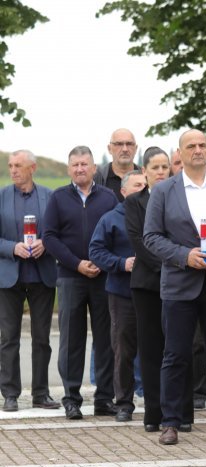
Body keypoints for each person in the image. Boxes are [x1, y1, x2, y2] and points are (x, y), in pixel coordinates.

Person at [143, 129, 206, 445]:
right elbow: (151, 237)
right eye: (191, 146)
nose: (198, 150)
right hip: (180, 284)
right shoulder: (164, 191)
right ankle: (170, 421)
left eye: (202, 145)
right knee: (175, 355)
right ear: (179, 154)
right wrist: (185, 255)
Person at [42, 146, 118, 420]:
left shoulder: (109, 198)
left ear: (94, 167)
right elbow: (49, 236)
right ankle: (72, 399)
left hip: (103, 277)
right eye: (74, 165)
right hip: (71, 277)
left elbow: (117, 233)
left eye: (84, 164)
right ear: (68, 169)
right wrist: (77, 263)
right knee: (71, 340)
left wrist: (103, 262)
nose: (79, 169)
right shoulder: (58, 198)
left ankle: (104, 399)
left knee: (106, 340)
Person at [126, 146, 189, 432]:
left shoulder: (181, 196)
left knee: (178, 347)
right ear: (144, 172)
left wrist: (178, 262)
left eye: (166, 167)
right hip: (148, 285)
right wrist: (172, 261)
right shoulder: (134, 202)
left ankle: (181, 413)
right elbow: (141, 241)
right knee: (151, 350)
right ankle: (154, 412)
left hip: (181, 283)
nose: (162, 172)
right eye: (156, 168)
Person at [0, 150, 59, 412]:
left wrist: (47, 242)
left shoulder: (50, 196)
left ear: (32, 167)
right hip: (9, 277)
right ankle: (10, 394)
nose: (13, 170)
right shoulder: (1, 196)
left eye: (18, 166)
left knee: (42, 338)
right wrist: (13, 248)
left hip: (41, 275)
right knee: (9, 338)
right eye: (11, 165)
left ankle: (41, 393)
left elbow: (60, 231)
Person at [89, 171, 146, 422]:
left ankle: (158, 401)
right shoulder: (110, 219)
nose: (143, 189)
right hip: (122, 293)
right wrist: (122, 263)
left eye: (145, 185)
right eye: (137, 185)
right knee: (123, 349)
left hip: (154, 292)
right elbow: (96, 251)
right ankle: (124, 402)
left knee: (157, 349)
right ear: (123, 192)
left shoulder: (156, 217)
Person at [93, 128, 140, 202]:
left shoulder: (146, 178)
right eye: (119, 144)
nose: (125, 149)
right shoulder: (96, 179)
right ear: (109, 149)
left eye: (129, 144)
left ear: (136, 148)